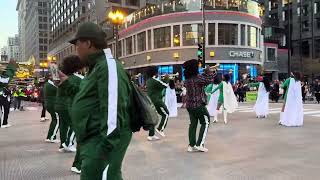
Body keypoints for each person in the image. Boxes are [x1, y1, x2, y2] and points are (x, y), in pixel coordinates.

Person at [59, 22, 133, 180]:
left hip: (102, 144)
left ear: (88, 43)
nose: (76, 50)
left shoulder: (108, 66)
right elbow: (86, 97)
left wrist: (104, 152)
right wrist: (66, 83)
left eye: (77, 45)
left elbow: (114, 109)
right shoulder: (95, 68)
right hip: (93, 140)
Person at [58, 55, 84, 174]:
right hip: (79, 110)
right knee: (82, 138)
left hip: (70, 108)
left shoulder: (67, 78)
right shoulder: (79, 79)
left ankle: (65, 145)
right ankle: (78, 164)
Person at [183, 59, 215, 153]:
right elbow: (210, 80)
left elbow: (203, 80)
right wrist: (209, 71)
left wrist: (205, 73)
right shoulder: (198, 78)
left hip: (190, 105)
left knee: (193, 124)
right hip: (199, 105)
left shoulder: (187, 79)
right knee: (206, 122)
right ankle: (200, 144)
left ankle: (191, 145)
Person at [146, 66, 169, 141]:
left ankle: (151, 135)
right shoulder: (155, 80)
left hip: (150, 101)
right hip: (157, 101)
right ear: (155, 72)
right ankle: (160, 129)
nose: (158, 72)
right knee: (166, 114)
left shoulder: (149, 80)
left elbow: (159, 86)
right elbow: (165, 85)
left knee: (153, 118)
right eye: (157, 71)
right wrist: (166, 78)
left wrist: (162, 79)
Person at [0, 61, 17, 128]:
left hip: (3, 95)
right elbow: (6, 80)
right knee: (4, 110)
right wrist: (11, 68)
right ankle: (3, 123)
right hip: (2, 96)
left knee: (5, 109)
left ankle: (4, 123)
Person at [44, 76, 59, 143]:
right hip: (53, 105)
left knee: (54, 120)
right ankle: (52, 137)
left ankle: (49, 136)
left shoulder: (47, 84)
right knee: (57, 120)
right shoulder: (51, 86)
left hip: (49, 104)